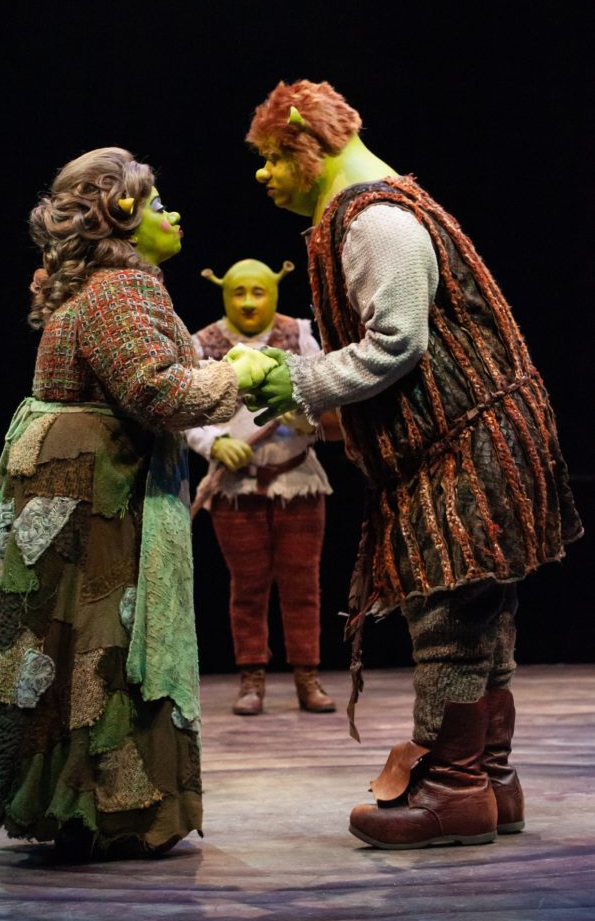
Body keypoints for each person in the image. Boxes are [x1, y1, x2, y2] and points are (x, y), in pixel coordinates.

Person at [241, 80, 583, 850]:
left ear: (308, 146)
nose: (263, 177)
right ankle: (490, 782)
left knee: (451, 620)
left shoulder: (376, 220)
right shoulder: (374, 212)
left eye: (270, 158)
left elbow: (396, 345)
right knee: (479, 622)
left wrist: (293, 379)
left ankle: (454, 791)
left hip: (465, 448)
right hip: (470, 442)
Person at [0, 147, 275, 859]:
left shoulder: (108, 285)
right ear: (121, 218)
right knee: (101, 641)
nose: (173, 213)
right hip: (89, 495)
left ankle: (82, 808)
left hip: (77, 485)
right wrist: (239, 370)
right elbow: (156, 392)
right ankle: (105, 810)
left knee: (74, 639)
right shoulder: (117, 292)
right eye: (159, 203)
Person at [186, 258, 336, 715]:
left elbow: (328, 389)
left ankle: (307, 678)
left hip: (297, 480)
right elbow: (186, 408)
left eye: (258, 292)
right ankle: (251, 679)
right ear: (223, 293)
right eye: (238, 292)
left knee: (302, 584)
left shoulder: (300, 334)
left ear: (274, 291)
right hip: (239, 488)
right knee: (247, 586)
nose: (249, 302)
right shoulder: (202, 343)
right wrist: (215, 443)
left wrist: (308, 416)